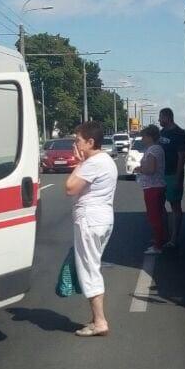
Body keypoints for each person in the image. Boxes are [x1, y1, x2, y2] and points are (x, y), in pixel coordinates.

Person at [65, 120, 118, 337]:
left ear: (90, 141)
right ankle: (96, 318)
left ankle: (99, 321)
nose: (75, 144)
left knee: (89, 269)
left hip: (90, 219)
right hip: (102, 218)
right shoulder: (106, 160)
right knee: (92, 264)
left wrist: (79, 162)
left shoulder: (93, 162)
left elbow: (70, 188)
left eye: (78, 140)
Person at [157, 107, 185, 249]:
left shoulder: (179, 133)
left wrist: (177, 177)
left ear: (168, 117)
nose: (159, 120)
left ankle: (174, 238)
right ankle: (165, 235)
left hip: (172, 174)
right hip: (161, 174)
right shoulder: (162, 133)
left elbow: (181, 157)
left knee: (175, 205)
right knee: (159, 204)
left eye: (161, 117)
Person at [136, 124, 167, 253]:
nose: (142, 139)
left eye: (143, 136)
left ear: (150, 137)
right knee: (157, 214)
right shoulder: (156, 148)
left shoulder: (153, 150)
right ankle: (159, 239)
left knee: (154, 216)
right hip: (156, 186)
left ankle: (158, 246)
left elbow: (151, 169)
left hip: (153, 187)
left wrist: (139, 169)